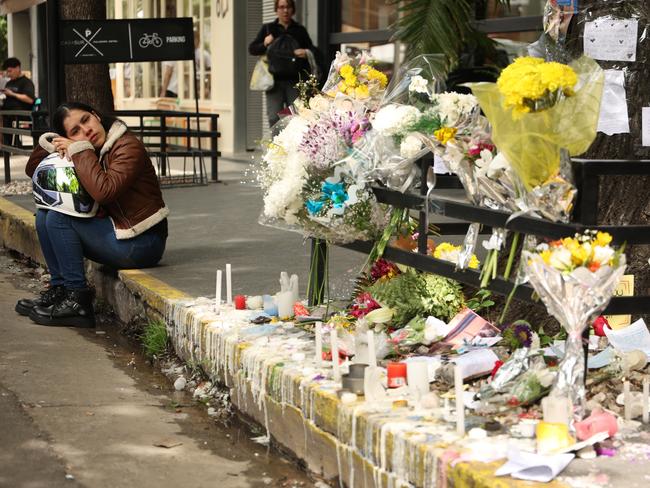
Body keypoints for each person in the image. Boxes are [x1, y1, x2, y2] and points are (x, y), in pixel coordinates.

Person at [15, 102, 169, 328]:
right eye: (74, 131)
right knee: (45, 214)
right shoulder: (91, 149)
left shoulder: (126, 146)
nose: (85, 130)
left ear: (96, 116)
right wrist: (54, 143)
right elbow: (34, 170)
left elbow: (104, 191)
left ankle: (78, 301)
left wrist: (79, 148)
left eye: (86, 120)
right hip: (118, 232)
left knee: (59, 219)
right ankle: (61, 290)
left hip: (144, 241)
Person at [248, 0, 318, 127]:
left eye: (288, 7)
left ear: (293, 10)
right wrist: (264, 43)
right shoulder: (268, 29)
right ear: (276, 10)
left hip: (295, 82)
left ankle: (293, 146)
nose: (285, 10)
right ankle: (276, 146)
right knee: (274, 118)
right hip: (274, 82)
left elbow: (314, 50)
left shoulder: (299, 30)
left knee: (296, 117)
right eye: (281, 7)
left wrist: (305, 52)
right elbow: (252, 49)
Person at [1, 57, 36, 147]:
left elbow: (29, 99)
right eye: (7, 72)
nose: (8, 74)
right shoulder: (9, 83)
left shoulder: (26, 82)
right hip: (7, 111)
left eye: (10, 71)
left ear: (18, 68)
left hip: (19, 112)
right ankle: (6, 144)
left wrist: (12, 94)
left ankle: (5, 145)